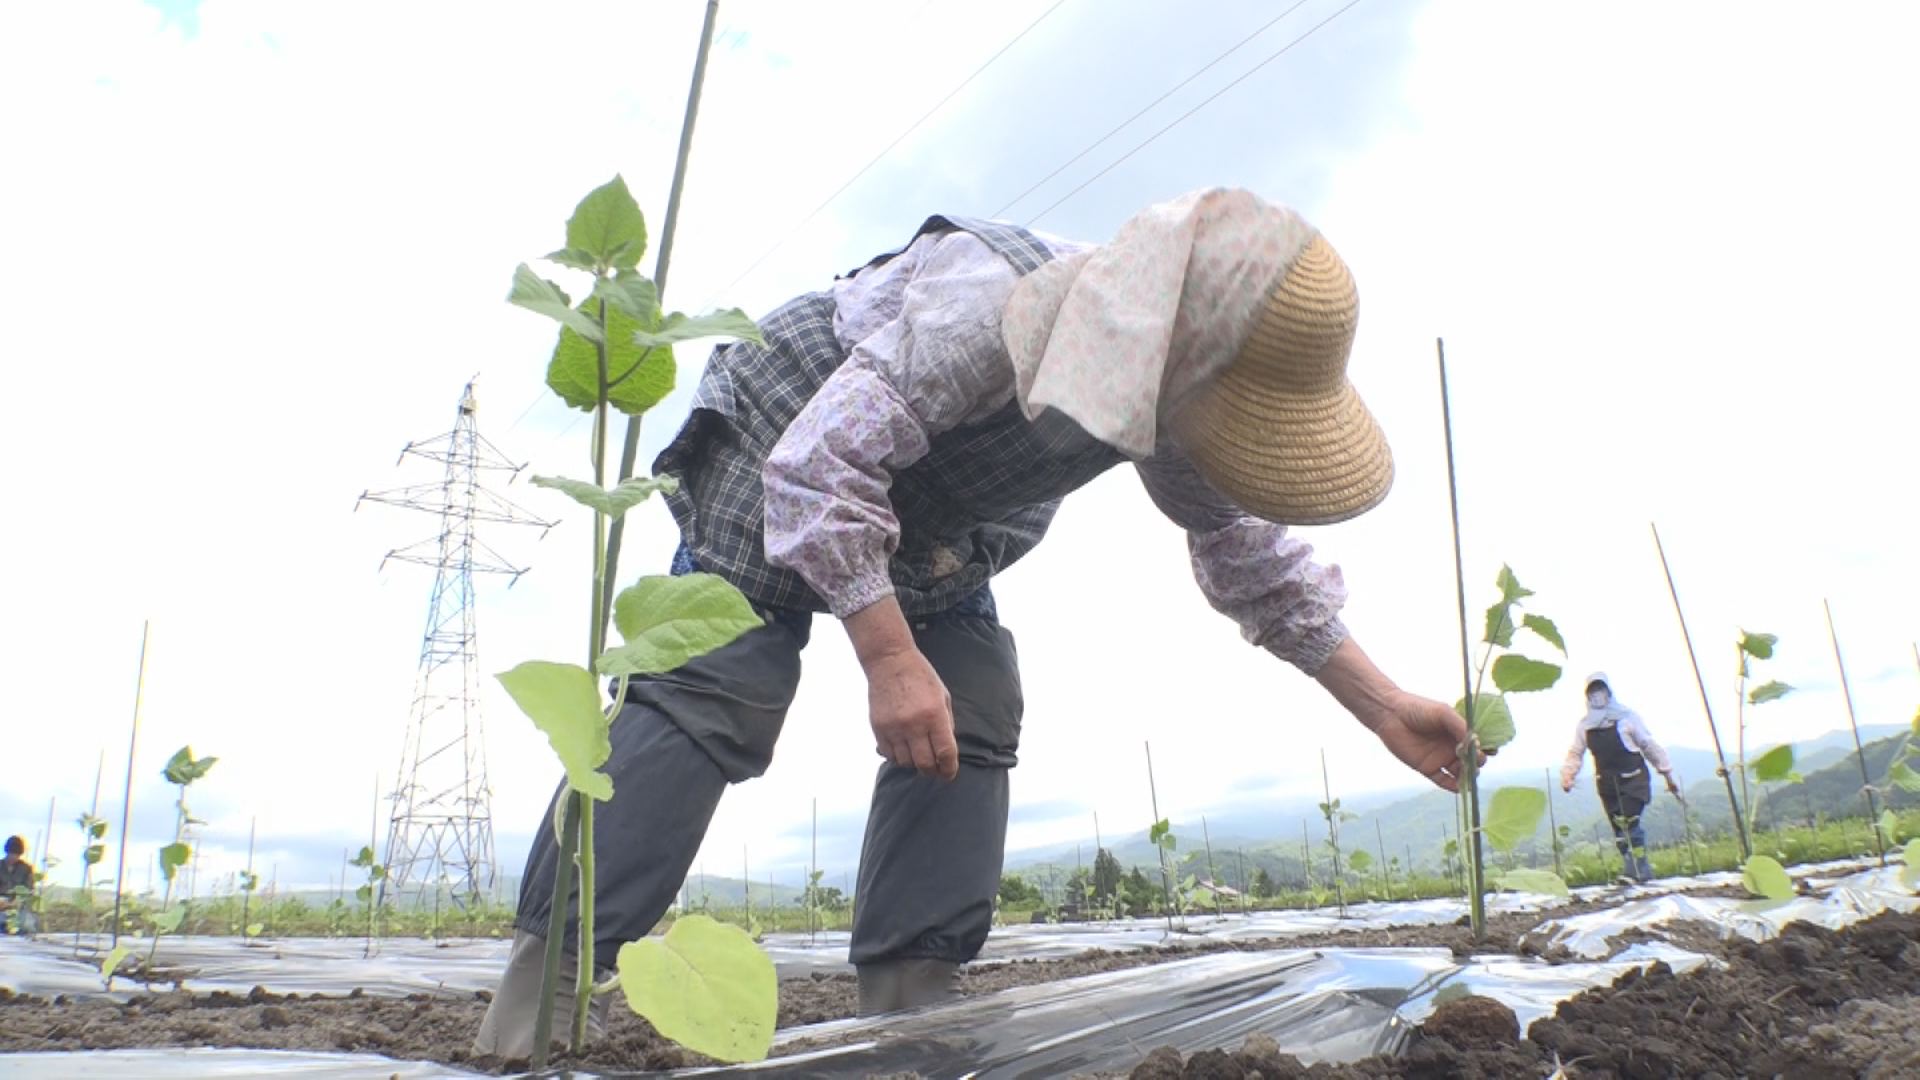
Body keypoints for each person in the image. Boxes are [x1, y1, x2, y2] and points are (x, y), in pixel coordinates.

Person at [475, 188, 1475, 1055]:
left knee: (973, 700)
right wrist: (886, 656)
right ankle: (539, 1001)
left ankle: (909, 1006)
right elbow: (820, 470)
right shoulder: (989, 301)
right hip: (788, 438)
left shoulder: (1174, 398)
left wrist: (1383, 704)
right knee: (715, 686)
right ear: (1181, 342)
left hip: (931, 516)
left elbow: (1252, 559)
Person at [1559, 672, 1681, 883]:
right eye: (1593, 692)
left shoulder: (1627, 718)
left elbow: (1648, 745)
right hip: (1607, 784)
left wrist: (1667, 774)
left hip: (1634, 779)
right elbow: (1575, 752)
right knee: (1618, 827)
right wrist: (1568, 775)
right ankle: (1631, 870)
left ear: (1608, 692)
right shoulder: (1585, 726)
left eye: (1601, 691)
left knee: (1630, 821)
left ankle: (1640, 869)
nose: (1597, 696)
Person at [1, 836, 36, 935]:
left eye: (16, 855)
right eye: (11, 854)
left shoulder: (26, 869)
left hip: (19, 909)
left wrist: (16, 902)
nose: (13, 857)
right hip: (1, 908)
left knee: (28, 925)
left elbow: (30, 891)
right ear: (6, 852)